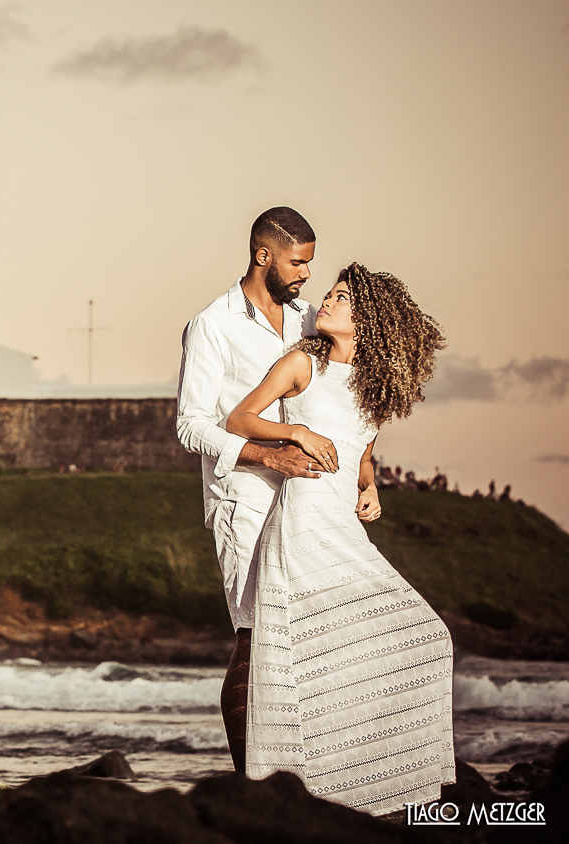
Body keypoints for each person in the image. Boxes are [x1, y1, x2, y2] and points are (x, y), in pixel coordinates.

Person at [225, 263, 452, 815]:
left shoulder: (375, 391)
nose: (325, 301)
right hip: (300, 522)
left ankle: (361, 786)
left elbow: (361, 454)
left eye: (341, 297)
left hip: (343, 527)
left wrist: (370, 487)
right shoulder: (303, 364)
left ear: (367, 318)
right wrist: (295, 432)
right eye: (328, 294)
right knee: (303, 658)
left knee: (427, 638)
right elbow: (239, 419)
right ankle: (293, 791)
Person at [176, 206, 321, 773]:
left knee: (300, 639)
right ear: (264, 256)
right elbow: (191, 425)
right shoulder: (212, 325)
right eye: (297, 262)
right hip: (244, 497)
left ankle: (294, 774)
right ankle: (248, 783)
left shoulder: (309, 320)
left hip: (306, 497)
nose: (306, 273)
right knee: (255, 637)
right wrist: (269, 454)